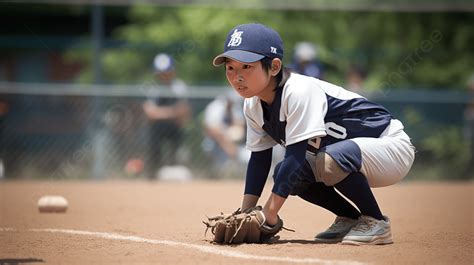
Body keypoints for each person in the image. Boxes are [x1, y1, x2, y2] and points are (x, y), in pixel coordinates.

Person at [212, 23, 415, 245]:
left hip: (390, 146)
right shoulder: (253, 105)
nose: (236, 76)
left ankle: (376, 222)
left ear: (274, 67)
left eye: (246, 67)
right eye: (230, 68)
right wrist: (246, 211)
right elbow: (260, 158)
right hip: (349, 156)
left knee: (326, 159)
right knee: (289, 173)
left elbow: (296, 155)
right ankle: (350, 218)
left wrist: (268, 214)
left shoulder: (298, 91)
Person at [142, 53, 191, 179]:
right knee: (154, 150)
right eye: (161, 73)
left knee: (176, 154)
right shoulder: (152, 87)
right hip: (157, 130)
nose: (164, 76)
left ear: (173, 72)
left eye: (167, 72)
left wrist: (159, 112)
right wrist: (173, 112)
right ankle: (152, 176)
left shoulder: (179, 87)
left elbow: (184, 111)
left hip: (175, 128)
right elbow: (149, 113)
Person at [202, 92, 249, 177]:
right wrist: (229, 147)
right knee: (220, 170)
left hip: (232, 143)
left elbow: (240, 126)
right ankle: (215, 175)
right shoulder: (215, 107)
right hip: (215, 144)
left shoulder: (234, 107)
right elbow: (213, 130)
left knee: (246, 157)